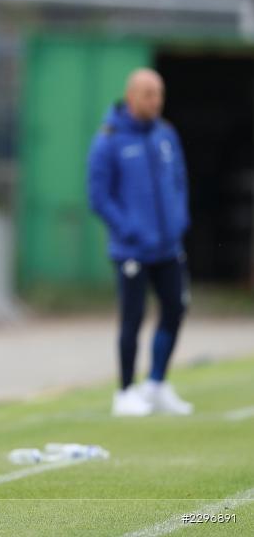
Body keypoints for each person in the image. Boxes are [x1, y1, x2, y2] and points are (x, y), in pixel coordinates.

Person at [88, 68, 193, 417]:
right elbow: (99, 197)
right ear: (132, 96)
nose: (156, 101)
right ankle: (125, 391)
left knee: (176, 308)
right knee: (133, 317)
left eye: (159, 94)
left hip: (168, 246)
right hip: (132, 249)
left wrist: (179, 220)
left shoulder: (166, 135)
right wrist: (129, 229)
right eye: (149, 94)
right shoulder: (110, 139)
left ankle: (157, 383)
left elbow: (178, 180)